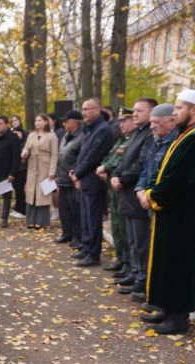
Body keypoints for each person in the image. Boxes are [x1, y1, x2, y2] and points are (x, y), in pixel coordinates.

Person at [138, 89, 195, 334]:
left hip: (184, 215)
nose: (175, 112)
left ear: (194, 110)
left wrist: (152, 196)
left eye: (179, 108)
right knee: (167, 260)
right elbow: (165, 172)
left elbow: (178, 180)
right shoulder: (187, 134)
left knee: (179, 261)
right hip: (174, 212)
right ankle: (167, 307)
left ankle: (178, 316)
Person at [135, 104, 178, 321]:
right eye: (150, 122)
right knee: (153, 252)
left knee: (162, 255)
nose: (152, 127)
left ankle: (163, 302)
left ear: (171, 121)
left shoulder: (176, 143)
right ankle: (157, 299)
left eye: (156, 123)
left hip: (164, 205)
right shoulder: (155, 141)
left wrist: (149, 195)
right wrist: (142, 191)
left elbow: (165, 176)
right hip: (150, 200)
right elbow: (146, 170)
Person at [111, 98, 157, 299]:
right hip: (126, 193)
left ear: (151, 112)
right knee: (132, 239)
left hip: (137, 194)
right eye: (135, 110)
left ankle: (141, 280)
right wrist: (116, 174)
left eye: (139, 110)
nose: (135, 114)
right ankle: (134, 273)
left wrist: (122, 177)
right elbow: (124, 159)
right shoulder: (136, 134)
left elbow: (141, 163)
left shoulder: (149, 134)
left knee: (140, 242)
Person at [71, 98, 115, 267]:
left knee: (93, 217)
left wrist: (78, 173)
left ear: (97, 110)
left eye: (87, 109)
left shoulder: (103, 130)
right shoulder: (90, 130)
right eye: (83, 109)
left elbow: (93, 156)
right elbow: (83, 153)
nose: (84, 113)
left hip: (94, 180)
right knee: (86, 216)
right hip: (85, 178)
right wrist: (75, 169)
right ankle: (87, 247)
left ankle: (93, 253)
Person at [96, 108, 135, 273]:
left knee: (125, 228)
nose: (121, 124)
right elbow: (109, 157)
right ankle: (121, 258)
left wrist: (106, 167)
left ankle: (128, 262)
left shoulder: (132, 141)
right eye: (120, 121)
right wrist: (105, 166)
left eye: (125, 121)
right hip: (113, 185)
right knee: (116, 225)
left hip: (123, 186)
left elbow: (118, 162)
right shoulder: (121, 140)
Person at [21, 114, 59, 228]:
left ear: (46, 122)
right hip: (32, 166)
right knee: (31, 192)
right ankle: (30, 220)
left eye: (40, 120)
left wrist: (52, 171)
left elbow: (55, 154)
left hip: (45, 167)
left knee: (43, 193)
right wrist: (24, 153)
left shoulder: (52, 136)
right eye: (36, 120)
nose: (37, 122)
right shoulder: (31, 135)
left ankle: (41, 221)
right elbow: (26, 147)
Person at [55, 110, 84, 245]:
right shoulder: (66, 136)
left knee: (75, 210)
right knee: (64, 209)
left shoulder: (81, 137)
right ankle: (66, 233)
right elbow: (60, 157)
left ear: (75, 122)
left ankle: (77, 237)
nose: (64, 123)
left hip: (73, 180)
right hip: (62, 178)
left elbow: (80, 158)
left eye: (66, 121)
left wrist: (74, 173)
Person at [11, 115, 29, 219]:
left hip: (23, 166)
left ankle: (22, 209)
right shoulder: (11, 133)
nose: (14, 122)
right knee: (16, 187)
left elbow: (26, 148)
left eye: (16, 120)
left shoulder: (26, 133)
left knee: (20, 187)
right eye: (12, 121)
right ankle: (18, 208)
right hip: (15, 166)